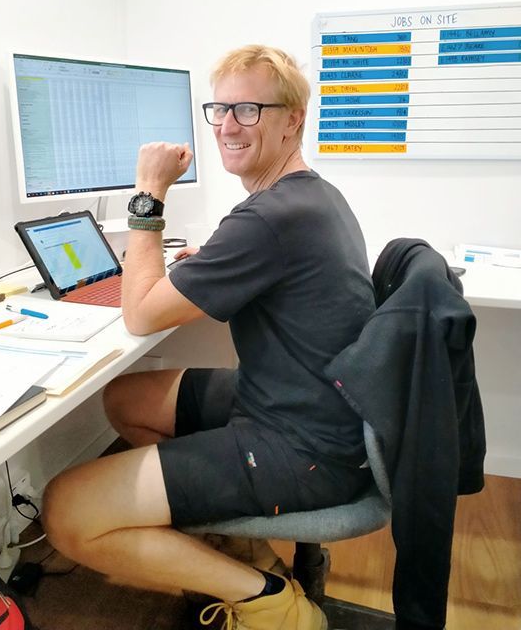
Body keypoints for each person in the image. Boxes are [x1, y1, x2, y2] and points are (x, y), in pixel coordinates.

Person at [42, 45, 376, 630]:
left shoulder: (269, 218)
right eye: (219, 108)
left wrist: (148, 191)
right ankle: (238, 544)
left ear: (293, 119)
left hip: (306, 449)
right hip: (306, 404)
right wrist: (210, 264)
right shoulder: (305, 198)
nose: (226, 125)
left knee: (65, 509)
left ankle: (274, 604)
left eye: (248, 109)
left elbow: (141, 316)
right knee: (125, 399)